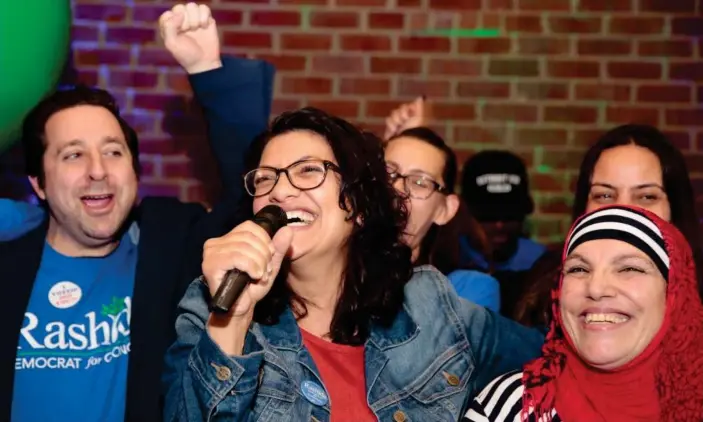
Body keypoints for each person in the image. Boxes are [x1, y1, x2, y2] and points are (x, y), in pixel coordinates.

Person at [162, 107, 544, 422]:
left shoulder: (431, 306)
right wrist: (233, 320)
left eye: (308, 170)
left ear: (359, 205)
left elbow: (557, 363)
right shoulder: (207, 308)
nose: (279, 191)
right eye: (265, 179)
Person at [0, 4, 273, 421]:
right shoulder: (8, 258)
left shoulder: (169, 244)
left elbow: (254, 195)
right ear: (38, 182)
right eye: (73, 155)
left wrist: (206, 68)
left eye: (113, 151)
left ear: (134, 170)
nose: (98, 171)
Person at [463, 205, 703, 422]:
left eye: (629, 268)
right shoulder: (511, 408)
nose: (596, 289)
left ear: (674, 295)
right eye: (578, 269)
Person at [514, 124, 703, 327]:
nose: (623, 210)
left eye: (647, 196)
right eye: (604, 195)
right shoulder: (547, 281)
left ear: (674, 208)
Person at [384, 100, 500, 311]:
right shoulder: (327, 273)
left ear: (445, 210)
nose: (398, 188)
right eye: (388, 173)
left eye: (419, 182)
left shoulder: (466, 289)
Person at [460, 150, 547, 273]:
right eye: (487, 215)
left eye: (510, 214)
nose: (499, 225)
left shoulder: (540, 262)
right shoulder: (449, 259)